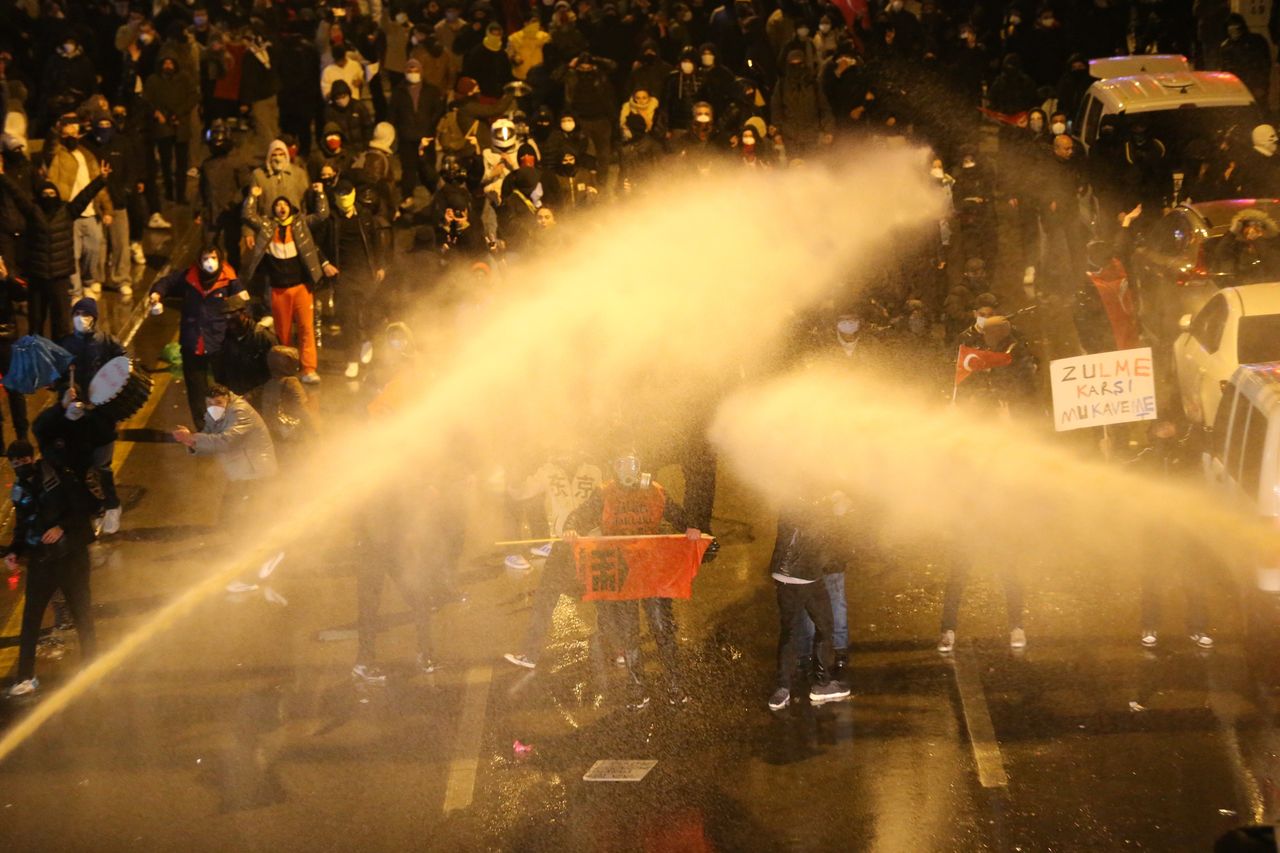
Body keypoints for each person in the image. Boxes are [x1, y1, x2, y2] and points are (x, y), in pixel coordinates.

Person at [562, 450, 703, 710]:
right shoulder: (604, 492)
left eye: (633, 465)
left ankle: (675, 686)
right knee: (629, 634)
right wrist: (571, 528)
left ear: (640, 466)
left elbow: (679, 515)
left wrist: (691, 527)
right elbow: (579, 516)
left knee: (663, 630)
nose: (628, 471)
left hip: (651, 572)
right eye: (622, 465)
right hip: (623, 575)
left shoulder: (655, 490)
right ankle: (637, 688)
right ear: (614, 468)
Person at [4, 439, 97, 698]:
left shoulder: (58, 476)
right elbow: (22, 527)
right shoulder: (20, 490)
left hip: (71, 558)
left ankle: (91, 665)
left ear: (33, 458)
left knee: (81, 613)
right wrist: (15, 551)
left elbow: (83, 507)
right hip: (42, 560)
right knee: (30, 619)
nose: (21, 467)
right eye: (15, 464)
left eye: (24, 461)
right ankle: (25, 677)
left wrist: (61, 527)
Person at [170, 383, 280, 595]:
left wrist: (192, 439)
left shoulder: (240, 412)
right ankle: (256, 562)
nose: (213, 407)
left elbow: (226, 441)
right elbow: (209, 437)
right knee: (232, 520)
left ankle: (254, 568)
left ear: (228, 399)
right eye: (209, 403)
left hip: (255, 474)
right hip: (242, 475)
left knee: (240, 521)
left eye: (218, 402)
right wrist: (191, 440)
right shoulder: (216, 414)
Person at [501, 449, 604, 669]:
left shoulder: (594, 471)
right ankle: (530, 653)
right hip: (563, 544)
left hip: (592, 543)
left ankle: (618, 649)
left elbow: (608, 503)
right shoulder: (548, 471)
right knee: (546, 598)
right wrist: (513, 475)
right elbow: (521, 492)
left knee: (605, 598)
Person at [1129, 419, 1214, 649]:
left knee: (1193, 576)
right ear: (1152, 430)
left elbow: (1205, 448)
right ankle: (1150, 625)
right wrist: (1105, 452)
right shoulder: (1144, 455)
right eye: (1160, 425)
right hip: (1156, 527)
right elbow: (1123, 475)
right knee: (1153, 577)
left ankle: (1198, 627)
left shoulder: (1186, 450)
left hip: (1186, 526)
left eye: (1169, 424)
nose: (1166, 428)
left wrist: (1197, 421)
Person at [241, 184, 334, 384]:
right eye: (278, 205)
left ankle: (308, 368)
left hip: (301, 288)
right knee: (282, 332)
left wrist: (319, 193)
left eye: (285, 204)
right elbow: (248, 216)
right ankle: (287, 369)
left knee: (306, 329)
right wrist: (253, 197)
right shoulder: (268, 227)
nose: (281, 208)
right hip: (279, 290)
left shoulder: (301, 224)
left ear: (291, 208)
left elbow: (322, 215)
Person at [767, 496, 853, 710]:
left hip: (782, 574)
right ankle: (822, 684)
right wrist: (836, 510)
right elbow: (821, 537)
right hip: (805, 575)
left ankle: (782, 689)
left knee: (788, 630)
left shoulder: (790, 496)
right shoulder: (817, 502)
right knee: (825, 625)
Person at [148, 245, 248, 423]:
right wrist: (156, 295)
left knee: (226, 388)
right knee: (196, 391)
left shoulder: (230, 281)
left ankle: (230, 423)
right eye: (205, 258)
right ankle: (203, 427)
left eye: (213, 258)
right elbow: (166, 283)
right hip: (192, 342)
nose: (210, 262)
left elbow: (243, 304)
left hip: (220, 343)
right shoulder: (188, 277)